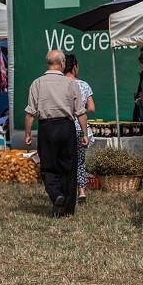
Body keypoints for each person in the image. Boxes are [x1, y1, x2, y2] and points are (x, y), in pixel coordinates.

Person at [24, 50, 89, 217]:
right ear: (62, 64)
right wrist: (84, 133)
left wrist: (28, 133)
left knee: (48, 166)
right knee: (68, 167)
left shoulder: (37, 83)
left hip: (47, 127)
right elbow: (80, 112)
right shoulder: (70, 84)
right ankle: (67, 208)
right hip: (67, 127)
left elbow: (30, 112)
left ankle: (56, 194)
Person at [64, 54, 95, 203]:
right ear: (75, 67)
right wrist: (80, 110)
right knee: (80, 161)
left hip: (63, 127)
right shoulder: (83, 85)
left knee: (64, 160)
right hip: (80, 127)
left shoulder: (59, 84)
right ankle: (81, 191)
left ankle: (65, 189)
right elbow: (92, 108)